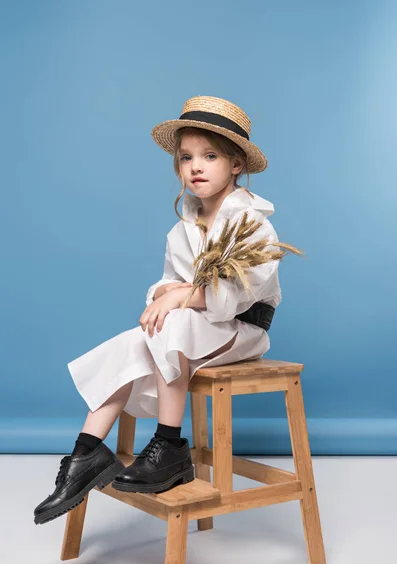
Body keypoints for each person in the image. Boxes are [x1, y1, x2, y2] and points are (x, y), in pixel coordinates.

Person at [34, 95, 282, 525]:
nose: (196, 167)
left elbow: (232, 298)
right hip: (194, 328)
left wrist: (179, 297)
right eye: (186, 158)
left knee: (174, 321)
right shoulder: (181, 227)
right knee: (135, 343)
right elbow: (166, 283)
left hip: (240, 330)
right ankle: (85, 454)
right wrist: (171, 292)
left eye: (209, 156)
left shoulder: (253, 223)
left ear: (236, 164)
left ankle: (170, 444)